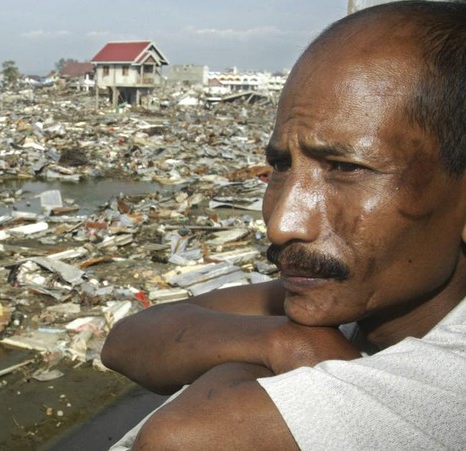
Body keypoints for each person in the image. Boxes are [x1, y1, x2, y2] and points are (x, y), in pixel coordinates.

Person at [100, 1, 466, 449]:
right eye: (280, 165)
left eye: (345, 168)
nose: (281, 224)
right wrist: (289, 345)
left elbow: (177, 439)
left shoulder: (449, 388)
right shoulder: (361, 300)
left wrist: (238, 363)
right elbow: (127, 340)